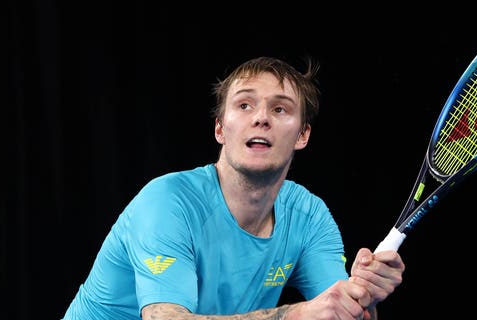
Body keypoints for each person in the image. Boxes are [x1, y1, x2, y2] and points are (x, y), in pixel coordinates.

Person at [61, 56, 405, 320]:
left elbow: (337, 311)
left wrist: (364, 297)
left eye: (280, 108)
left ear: (302, 135)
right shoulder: (167, 202)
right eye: (244, 105)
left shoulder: (309, 215)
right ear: (220, 130)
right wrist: (295, 313)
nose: (261, 117)